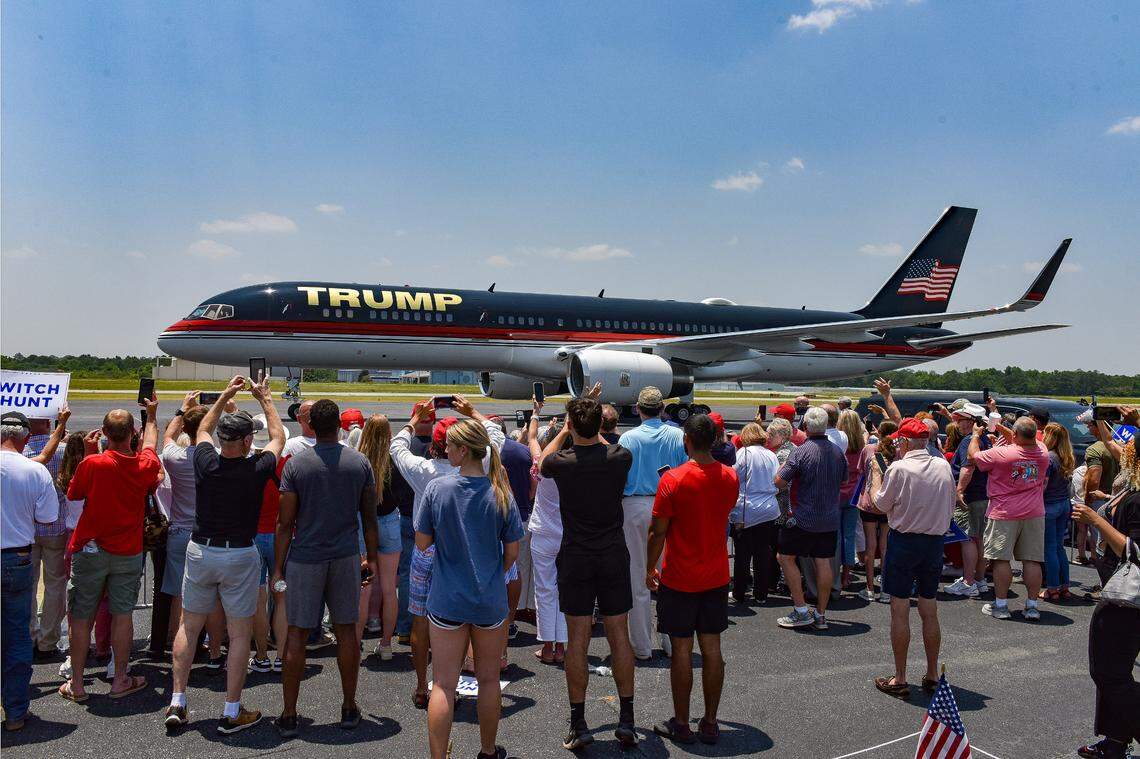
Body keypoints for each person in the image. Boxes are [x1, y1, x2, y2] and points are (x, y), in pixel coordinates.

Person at [163, 373, 285, 734]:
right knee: (239, 631)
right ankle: (232, 708)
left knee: (189, 625)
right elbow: (279, 436)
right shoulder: (258, 465)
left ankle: (178, 700)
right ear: (248, 441)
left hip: (201, 549)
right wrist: (264, 398)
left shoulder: (205, 460)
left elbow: (202, 429)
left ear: (220, 440)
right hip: (239, 554)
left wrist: (225, 395)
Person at [415, 420, 523, 759]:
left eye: (449, 446)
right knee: (489, 681)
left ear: (464, 451)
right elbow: (512, 552)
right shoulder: (501, 492)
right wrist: (492, 573)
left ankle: (438, 755)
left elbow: (422, 544)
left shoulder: (438, 489)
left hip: (447, 599)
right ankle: (488, 750)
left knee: (444, 684)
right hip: (489, 601)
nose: (445, 451)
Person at [272, 399, 378, 737]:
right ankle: (349, 707)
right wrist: (371, 557)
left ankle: (289, 714)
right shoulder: (359, 463)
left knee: (297, 635)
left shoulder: (296, 466)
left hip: (305, 557)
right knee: (347, 632)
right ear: (340, 426)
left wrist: (278, 567)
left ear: (312, 427)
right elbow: (370, 519)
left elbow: (285, 523)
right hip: (345, 555)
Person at [391, 396, 505, 710]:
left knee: (421, 620)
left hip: (427, 550)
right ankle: (461, 675)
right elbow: (495, 437)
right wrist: (471, 412)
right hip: (468, 548)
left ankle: (421, 684)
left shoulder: (423, 470)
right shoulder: (480, 465)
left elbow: (397, 447)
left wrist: (415, 420)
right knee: (465, 619)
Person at [541, 396, 639, 750]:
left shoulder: (563, 462)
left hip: (577, 555)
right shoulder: (619, 457)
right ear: (601, 425)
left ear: (571, 426)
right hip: (612, 553)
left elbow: (541, 460)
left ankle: (578, 722)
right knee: (619, 637)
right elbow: (606, 442)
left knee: (577, 642)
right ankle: (626, 719)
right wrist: (590, 426)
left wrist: (565, 430)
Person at [60, 397, 160, 702]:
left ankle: (77, 685)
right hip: (127, 550)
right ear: (133, 433)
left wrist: (90, 454)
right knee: (122, 615)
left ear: (104, 432)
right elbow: (151, 448)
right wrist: (152, 417)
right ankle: (120, 679)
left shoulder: (93, 463)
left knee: (81, 616)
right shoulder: (145, 464)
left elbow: (74, 493)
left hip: (91, 548)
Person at [646, 415, 738, 745]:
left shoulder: (673, 480)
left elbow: (658, 532)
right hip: (715, 573)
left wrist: (648, 567)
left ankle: (682, 722)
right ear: (714, 440)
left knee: (682, 650)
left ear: (686, 440)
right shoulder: (729, 476)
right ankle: (710, 722)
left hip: (681, 575)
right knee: (712, 649)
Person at [869, 419, 955, 699]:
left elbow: (880, 505)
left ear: (905, 442)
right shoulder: (942, 465)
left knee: (900, 608)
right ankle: (931, 673)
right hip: (933, 541)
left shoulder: (899, 467)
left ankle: (901, 676)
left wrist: (875, 479)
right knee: (929, 608)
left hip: (905, 540)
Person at [1071, 440, 1139, 759]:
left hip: (1128, 597)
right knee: (1116, 671)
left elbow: (1136, 550)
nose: (1121, 446)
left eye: (1128, 446)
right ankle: (1115, 742)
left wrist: (1095, 519)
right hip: (1119, 588)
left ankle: (1122, 736)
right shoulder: (1132, 487)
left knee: (1108, 672)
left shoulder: (1138, 498)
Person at [2, 411, 62, 731]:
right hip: (16, 558)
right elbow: (48, 516)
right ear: (25, 439)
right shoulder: (34, 470)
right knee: (16, 637)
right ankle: (14, 712)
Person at [616, 386, 686, 660]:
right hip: (668, 503)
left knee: (637, 576)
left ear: (638, 408)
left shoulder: (629, 438)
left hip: (635, 504)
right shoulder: (677, 435)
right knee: (668, 575)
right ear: (662, 408)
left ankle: (642, 646)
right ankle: (671, 641)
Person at [159, 394, 225, 669]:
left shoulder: (174, 457)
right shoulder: (218, 459)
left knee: (178, 593)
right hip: (208, 532)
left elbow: (167, 436)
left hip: (179, 531)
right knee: (210, 594)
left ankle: (178, 645)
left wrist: (182, 409)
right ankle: (213, 651)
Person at [773, 407, 848, 631]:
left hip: (804, 516)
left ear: (805, 426)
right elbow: (843, 481)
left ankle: (801, 609)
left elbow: (780, 481)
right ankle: (821, 614)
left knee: (785, 557)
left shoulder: (801, 451)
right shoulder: (837, 452)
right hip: (829, 517)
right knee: (823, 561)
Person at [969, 416, 1049, 621]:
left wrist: (976, 436)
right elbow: (1022, 436)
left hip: (1004, 512)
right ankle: (1032, 606)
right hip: (1034, 512)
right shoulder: (1042, 451)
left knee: (1000, 560)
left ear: (1015, 435)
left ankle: (1002, 605)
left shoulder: (1001, 453)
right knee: (1032, 561)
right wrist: (1000, 427)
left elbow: (973, 457)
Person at [22, 412, 72, 662]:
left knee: (27, 586)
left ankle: (28, 635)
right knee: (55, 585)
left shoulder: (20, 453)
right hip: (55, 525)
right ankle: (48, 640)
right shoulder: (63, 451)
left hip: (27, 529)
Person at [355, 415, 402, 660]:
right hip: (390, 521)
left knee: (363, 587)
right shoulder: (394, 461)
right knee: (388, 588)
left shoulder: (357, 460)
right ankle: (386, 644)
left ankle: (355, 642)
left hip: (364, 522)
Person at [525, 404, 567, 665]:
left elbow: (531, 437)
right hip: (567, 534)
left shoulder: (541, 465)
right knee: (563, 590)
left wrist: (535, 413)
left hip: (543, 533)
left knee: (545, 590)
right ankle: (561, 646)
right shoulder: (573, 466)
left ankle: (548, 646)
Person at [493, 415, 533, 654]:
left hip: (493, 520)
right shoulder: (522, 452)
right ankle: (513, 616)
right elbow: (531, 489)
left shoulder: (482, 453)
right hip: (520, 515)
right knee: (517, 569)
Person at [944, 403, 992, 598]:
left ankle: (968, 582)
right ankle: (979, 579)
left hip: (970, 496)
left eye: (962, 419)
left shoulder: (968, 442)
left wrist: (959, 491)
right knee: (978, 538)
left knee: (967, 539)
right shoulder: (986, 440)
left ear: (973, 422)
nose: (958, 422)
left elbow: (968, 466)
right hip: (982, 495)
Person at [395, 402, 433, 643]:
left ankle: (406, 627)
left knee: (409, 575)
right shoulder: (441, 452)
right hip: (432, 523)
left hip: (407, 515)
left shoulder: (407, 450)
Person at [729, 423, 780, 604]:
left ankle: (739, 592)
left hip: (748, 508)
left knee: (743, 554)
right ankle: (761, 593)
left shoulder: (743, 453)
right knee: (763, 553)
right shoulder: (771, 455)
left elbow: (733, 478)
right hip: (769, 508)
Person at [857, 421, 898, 603]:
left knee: (870, 545)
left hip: (869, 502)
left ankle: (869, 588)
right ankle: (886, 589)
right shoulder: (898, 453)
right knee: (886, 546)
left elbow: (861, 472)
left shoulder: (869, 450)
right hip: (889, 503)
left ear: (878, 432)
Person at [1040, 422, 1076, 601]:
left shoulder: (1049, 457)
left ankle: (1052, 588)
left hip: (1050, 506)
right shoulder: (1066, 456)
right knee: (1060, 546)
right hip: (1064, 504)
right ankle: (1065, 586)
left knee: (1049, 549)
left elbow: (1043, 485)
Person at [835, 409, 866, 591]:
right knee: (849, 535)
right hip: (854, 495)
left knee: (836, 535)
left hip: (838, 493)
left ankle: (836, 573)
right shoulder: (861, 446)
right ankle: (846, 575)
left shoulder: (839, 446)